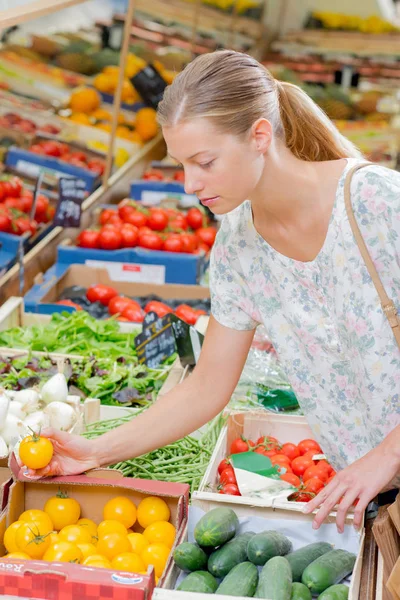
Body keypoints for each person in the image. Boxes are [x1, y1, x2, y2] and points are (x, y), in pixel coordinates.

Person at [20, 50, 400, 534]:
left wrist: (387, 454)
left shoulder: (378, 204)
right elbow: (206, 387)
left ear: (260, 136)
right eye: (181, 164)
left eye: (204, 162)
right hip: (374, 500)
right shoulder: (238, 244)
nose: (189, 183)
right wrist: (95, 450)